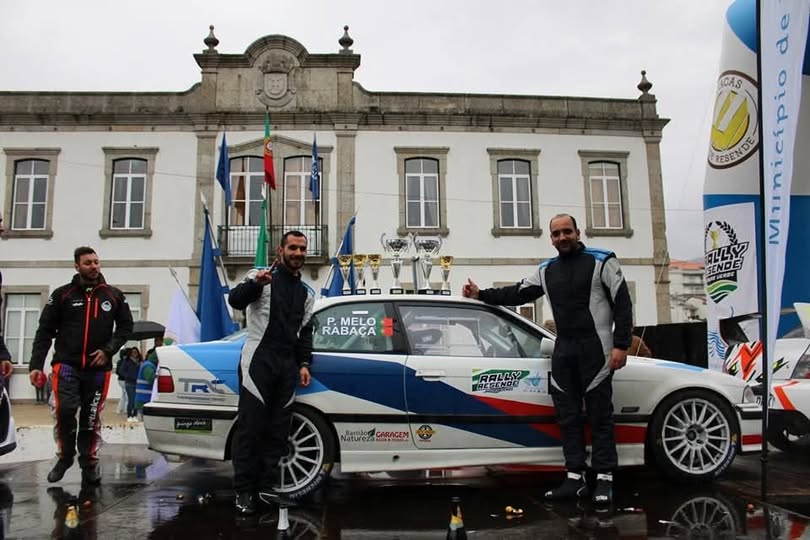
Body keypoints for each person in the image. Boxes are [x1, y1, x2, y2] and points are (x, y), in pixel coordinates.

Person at [462, 214, 632, 505]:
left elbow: (623, 303)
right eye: (556, 234)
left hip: (597, 351)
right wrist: (481, 294)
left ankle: (604, 478)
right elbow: (516, 293)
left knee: (599, 417)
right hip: (563, 352)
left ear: (578, 232)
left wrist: (621, 345)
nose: (562, 237)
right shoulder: (546, 270)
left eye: (567, 231)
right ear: (551, 238)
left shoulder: (603, 260)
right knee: (568, 418)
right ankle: (575, 478)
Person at [29, 246, 133, 485]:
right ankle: (65, 457)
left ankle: (89, 463)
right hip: (66, 366)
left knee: (91, 417)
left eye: (96, 262)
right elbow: (44, 331)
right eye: (88, 263)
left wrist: (108, 350)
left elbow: (126, 327)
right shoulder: (62, 295)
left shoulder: (113, 295)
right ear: (77, 266)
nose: (94, 266)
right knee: (64, 412)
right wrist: (35, 364)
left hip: (98, 370)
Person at [227, 231, 315, 516]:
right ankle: (244, 492)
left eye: (302, 249)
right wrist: (255, 283)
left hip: (287, 365)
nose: (298, 253)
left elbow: (305, 332)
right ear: (281, 250)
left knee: (278, 432)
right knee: (251, 429)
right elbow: (235, 301)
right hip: (258, 361)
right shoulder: (261, 276)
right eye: (293, 248)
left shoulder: (306, 293)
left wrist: (304, 363)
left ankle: (265, 488)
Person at [133, 347, 158, 421]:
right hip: (144, 400)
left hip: (144, 400)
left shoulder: (148, 365)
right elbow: (151, 378)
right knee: (145, 422)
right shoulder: (148, 366)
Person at [121, 347, 142, 421]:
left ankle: (135, 415)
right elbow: (121, 371)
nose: (134, 353)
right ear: (130, 353)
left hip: (138, 383)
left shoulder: (140, 362)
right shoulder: (127, 361)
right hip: (129, 383)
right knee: (131, 400)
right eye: (133, 352)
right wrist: (128, 376)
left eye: (136, 352)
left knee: (136, 400)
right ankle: (129, 415)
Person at [115, 348, 129, 415]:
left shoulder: (119, 362)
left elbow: (117, 372)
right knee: (126, 395)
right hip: (124, 380)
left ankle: (120, 409)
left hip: (120, 380)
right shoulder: (126, 362)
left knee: (123, 394)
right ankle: (125, 409)